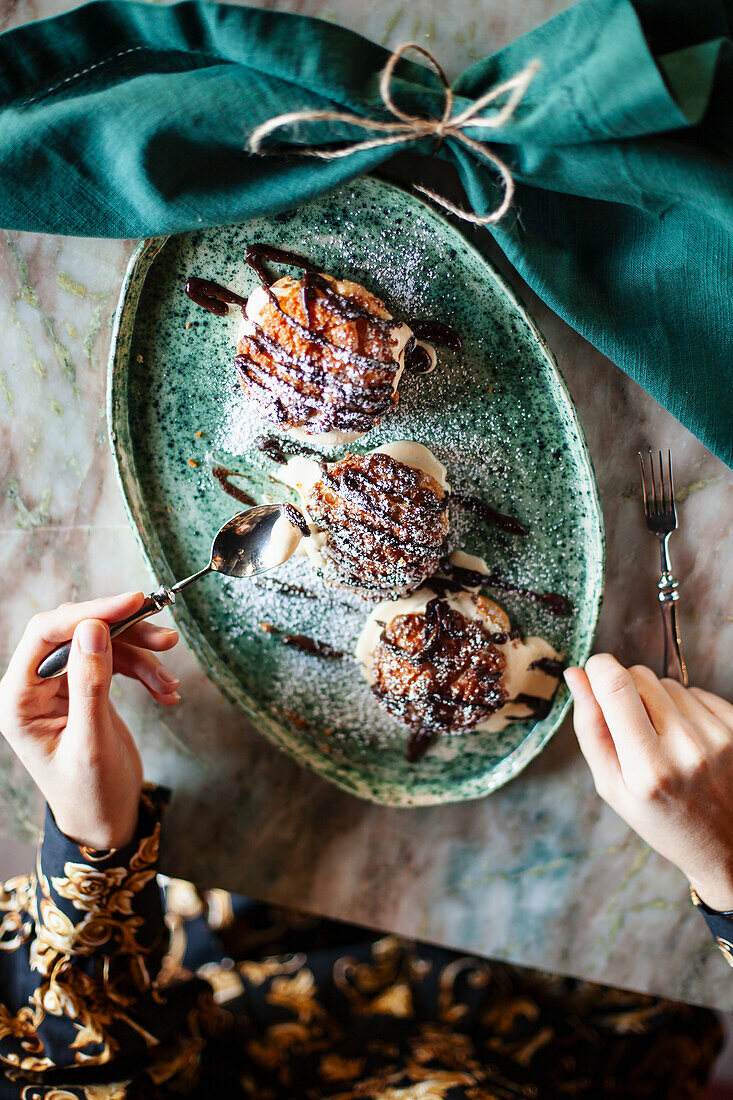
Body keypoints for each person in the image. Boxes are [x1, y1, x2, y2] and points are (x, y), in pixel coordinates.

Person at [0, 592, 729, 1099]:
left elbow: (73, 1060)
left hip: (234, 933)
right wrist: (725, 863)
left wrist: (93, 846)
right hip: (588, 1017)